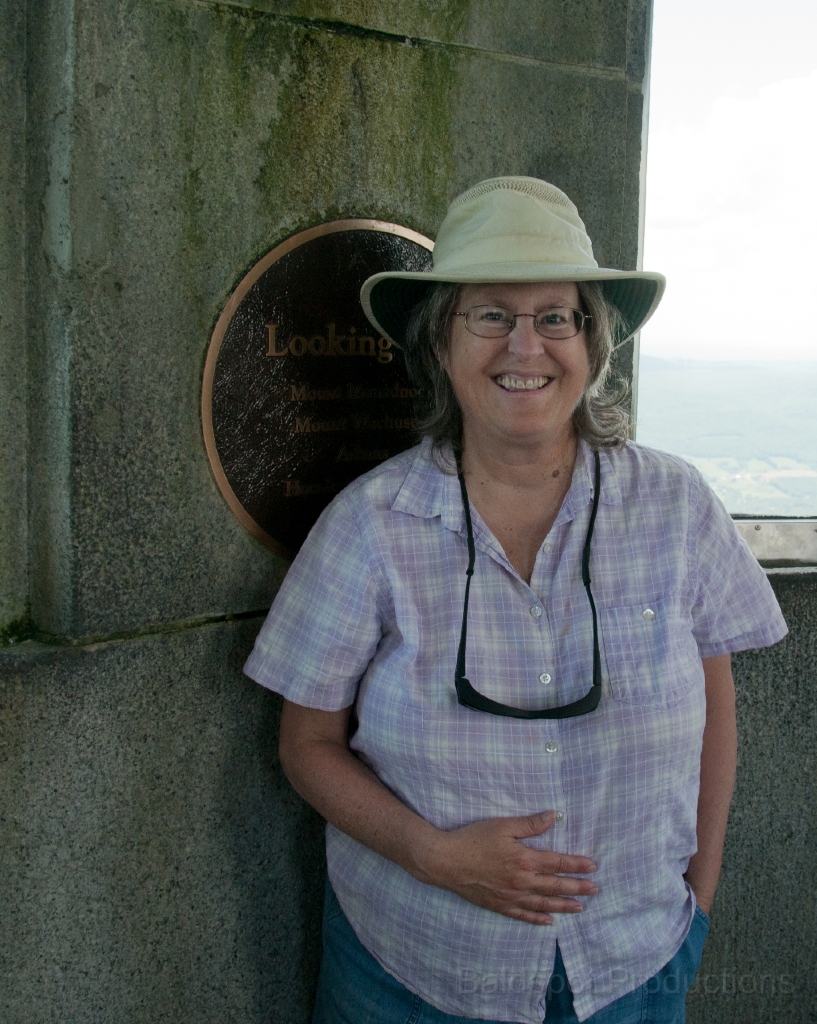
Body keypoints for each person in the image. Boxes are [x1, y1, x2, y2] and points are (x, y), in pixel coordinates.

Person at [244, 177, 787, 1023]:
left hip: (634, 967)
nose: (523, 346)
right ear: (440, 344)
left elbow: (716, 712)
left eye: (554, 317)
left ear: (590, 339)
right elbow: (306, 742)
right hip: (411, 970)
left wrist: (695, 904)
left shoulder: (675, 506)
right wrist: (431, 856)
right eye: (490, 315)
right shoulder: (369, 526)